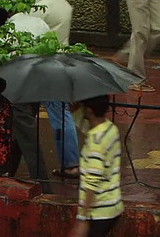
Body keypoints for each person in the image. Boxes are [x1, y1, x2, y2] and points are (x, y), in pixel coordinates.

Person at [27, 0, 79, 178]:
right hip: (62, 63)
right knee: (60, 115)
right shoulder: (64, 4)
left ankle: (71, 163)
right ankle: (69, 162)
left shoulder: (41, 7)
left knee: (59, 117)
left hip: (45, 67)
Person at [6, 12, 52, 193]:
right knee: (21, 131)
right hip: (36, 82)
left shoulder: (9, 26)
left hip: (17, 85)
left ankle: (43, 183)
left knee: (26, 135)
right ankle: (6, 171)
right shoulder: (39, 22)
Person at [68, 95, 123, 237]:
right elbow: (87, 125)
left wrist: (82, 219)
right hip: (113, 205)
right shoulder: (110, 129)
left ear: (90, 110)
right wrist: (75, 109)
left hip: (98, 212)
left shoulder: (95, 143)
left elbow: (91, 185)